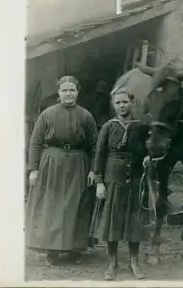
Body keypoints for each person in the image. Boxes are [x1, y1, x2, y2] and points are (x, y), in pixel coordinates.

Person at [25, 75, 98, 266]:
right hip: (52, 163)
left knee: (76, 206)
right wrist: (33, 169)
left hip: (78, 164)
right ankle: (52, 252)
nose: (68, 93)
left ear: (77, 92)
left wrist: (93, 170)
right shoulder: (47, 114)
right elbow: (35, 143)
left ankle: (75, 250)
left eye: (72, 90)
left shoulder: (86, 115)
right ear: (58, 92)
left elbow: (94, 146)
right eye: (64, 90)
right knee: (52, 206)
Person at [90, 87, 150, 281]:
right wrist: (99, 182)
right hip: (112, 179)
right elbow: (99, 155)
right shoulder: (108, 126)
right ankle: (112, 262)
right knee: (112, 221)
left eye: (125, 102)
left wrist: (149, 157)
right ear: (113, 105)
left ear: (131, 103)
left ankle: (134, 262)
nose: (121, 106)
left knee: (134, 221)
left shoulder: (141, 126)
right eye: (118, 103)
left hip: (135, 178)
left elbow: (149, 149)